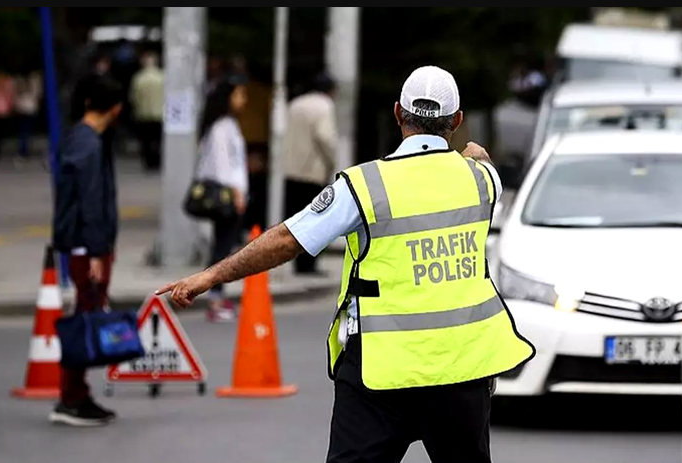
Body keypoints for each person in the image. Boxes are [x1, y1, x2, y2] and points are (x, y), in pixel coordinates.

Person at [156, 65, 536, 462]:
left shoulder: (364, 186)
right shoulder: (482, 181)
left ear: (396, 113)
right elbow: (481, 159)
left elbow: (288, 239)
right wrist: (473, 154)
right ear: (457, 121)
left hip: (379, 371)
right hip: (462, 371)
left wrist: (211, 275)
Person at [50, 76, 124, 427]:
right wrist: (97, 251)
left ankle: (76, 394)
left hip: (83, 243)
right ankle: (72, 397)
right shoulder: (90, 145)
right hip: (86, 246)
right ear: (115, 108)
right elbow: (91, 202)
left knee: (85, 314)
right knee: (85, 318)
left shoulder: (78, 138)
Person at [193, 74, 249, 322]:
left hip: (232, 194)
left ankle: (217, 295)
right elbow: (223, 166)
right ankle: (215, 298)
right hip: (227, 195)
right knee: (222, 248)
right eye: (239, 94)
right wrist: (236, 193)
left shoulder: (227, 124)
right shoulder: (221, 127)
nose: (243, 100)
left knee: (224, 245)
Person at [282, 72, 337, 275]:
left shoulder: (295, 104)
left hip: (291, 169)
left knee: (296, 219)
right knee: (316, 219)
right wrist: (332, 161)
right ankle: (309, 265)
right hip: (313, 171)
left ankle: (297, 262)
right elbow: (325, 136)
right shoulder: (324, 106)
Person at [129, 51, 164, 171]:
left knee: (146, 141)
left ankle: (149, 162)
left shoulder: (138, 78)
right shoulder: (162, 77)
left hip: (144, 113)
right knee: (158, 140)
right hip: (160, 113)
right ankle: (158, 161)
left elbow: (134, 97)